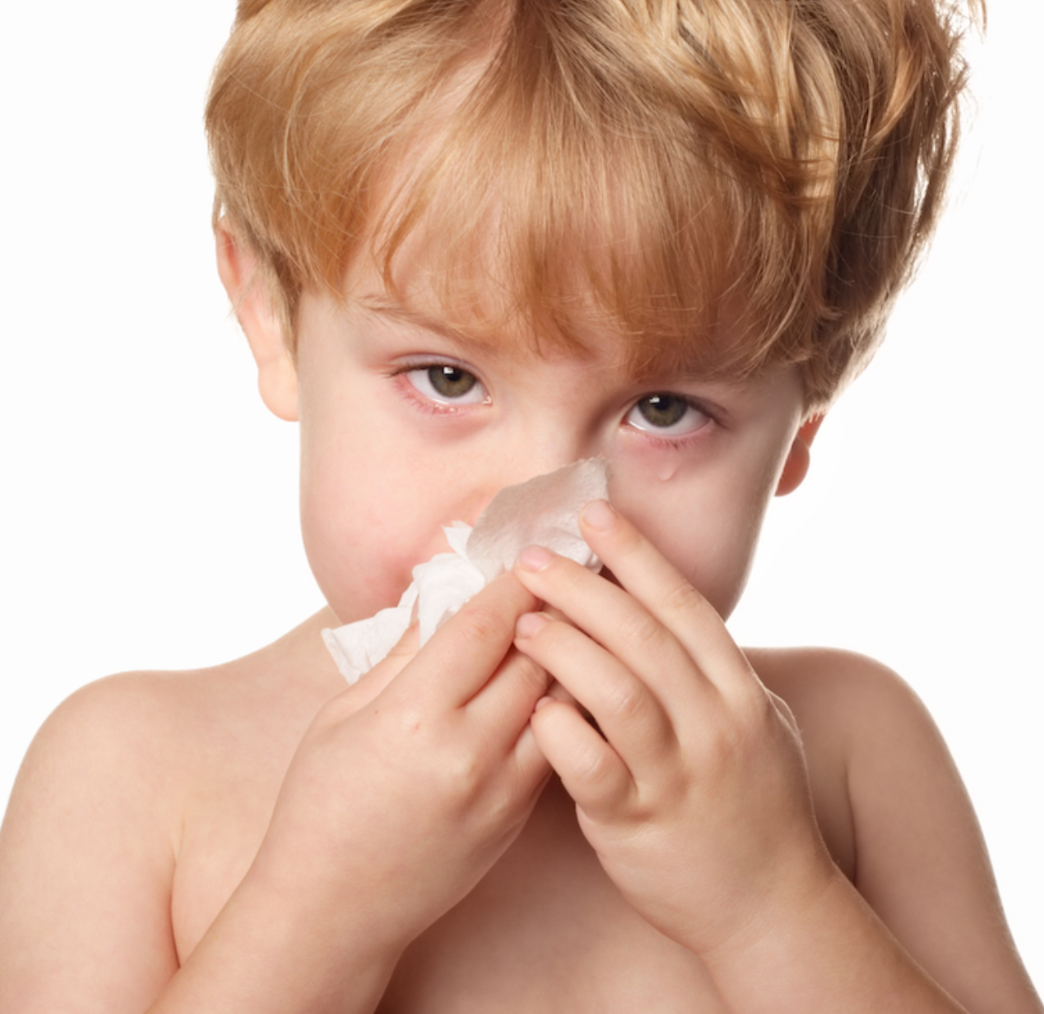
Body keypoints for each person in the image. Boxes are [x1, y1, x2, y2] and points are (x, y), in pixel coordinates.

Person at [0, 0, 1039, 1009]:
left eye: (663, 408)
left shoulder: (852, 753)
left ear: (804, 420)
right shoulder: (130, 775)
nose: (539, 513)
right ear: (271, 315)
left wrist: (769, 904)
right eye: (448, 378)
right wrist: (319, 910)